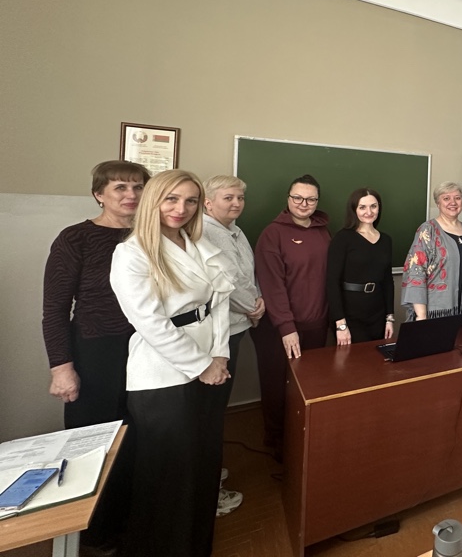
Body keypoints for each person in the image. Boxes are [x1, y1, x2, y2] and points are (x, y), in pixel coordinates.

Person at [110, 169, 234, 557]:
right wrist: (202, 365)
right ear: (154, 201)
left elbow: (219, 301)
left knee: (202, 466)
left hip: (210, 365)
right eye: (172, 199)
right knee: (169, 475)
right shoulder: (132, 253)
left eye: (191, 200)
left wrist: (220, 354)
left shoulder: (197, 243)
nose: (182, 208)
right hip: (163, 377)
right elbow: (150, 323)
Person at [41, 159, 150, 553]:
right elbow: (54, 310)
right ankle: (94, 535)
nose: (131, 195)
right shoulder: (76, 238)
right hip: (96, 351)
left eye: (138, 187)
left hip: (148, 350)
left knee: (139, 441)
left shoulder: (153, 235)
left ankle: (131, 526)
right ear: (99, 194)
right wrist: (62, 368)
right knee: (93, 445)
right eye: (120, 187)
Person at [253, 174, 331, 460]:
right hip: (282, 328)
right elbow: (271, 285)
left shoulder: (324, 232)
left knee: (307, 388)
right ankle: (277, 444)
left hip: (316, 324)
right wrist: (287, 327)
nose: (303, 203)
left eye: (310, 199)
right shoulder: (272, 233)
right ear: (288, 198)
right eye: (297, 197)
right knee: (278, 387)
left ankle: (302, 443)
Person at [201, 175, 265, 516]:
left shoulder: (236, 231)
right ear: (209, 202)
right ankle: (207, 486)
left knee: (219, 407)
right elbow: (225, 281)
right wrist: (254, 307)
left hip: (239, 324)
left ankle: (210, 470)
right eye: (228, 198)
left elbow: (247, 275)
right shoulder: (206, 232)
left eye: (240, 197)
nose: (237, 203)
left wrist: (257, 301)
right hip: (220, 333)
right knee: (210, 410)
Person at [327, 188, 395, 344]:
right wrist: (340, 324)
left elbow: (387, 281)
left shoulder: (386, 240)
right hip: (350, 316)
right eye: (362, 207)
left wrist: (390, 317)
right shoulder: (343, 238)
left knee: (378, 357)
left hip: (378, 314)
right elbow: (332, 282)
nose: (369, 212)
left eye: (373, 206)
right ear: (354, 210)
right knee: (355, 359)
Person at [401, 182, 462, 320]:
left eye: (457, 198)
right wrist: (421, 316)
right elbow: (416, 272)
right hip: (433, 313)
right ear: (438, 203)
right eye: (446, 198)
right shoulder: (428, 230)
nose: (453, 202)